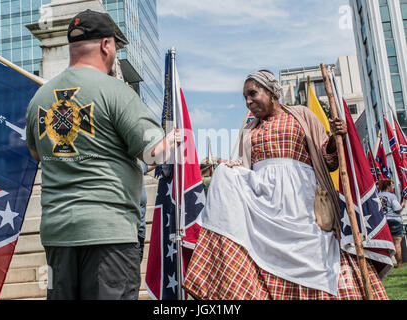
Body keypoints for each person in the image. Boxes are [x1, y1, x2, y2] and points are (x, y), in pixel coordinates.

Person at [183, 70, 388, 300]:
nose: (248, 102)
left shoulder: (302, 115)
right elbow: (245, 167)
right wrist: (232, 167)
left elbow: (327, 159)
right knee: (224, 176)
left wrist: (334, 141)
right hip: (265, 206)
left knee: (320, 256)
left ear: (272, 92)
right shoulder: (249, 130)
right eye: (245, 98)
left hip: (304, 201)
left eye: (253, 94)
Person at [25, 9, 176, 300]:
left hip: (58, 237)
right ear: (106, 45)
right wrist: (174, 139)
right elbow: (153, 153)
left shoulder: (39, 99)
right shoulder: (115, 92)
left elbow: (36, 155)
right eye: (116, 48)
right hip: (110, 236)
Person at [378, 179, 405, 268]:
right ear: (388, 186)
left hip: (382, 222)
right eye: (392, 185)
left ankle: (385, 265)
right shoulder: (392, 196)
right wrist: (402, 206)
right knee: (397, 242)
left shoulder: (377, 195)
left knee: (384, 244)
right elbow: (397, 210)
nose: (393, 187)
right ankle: (400, 264)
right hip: (394, 220)